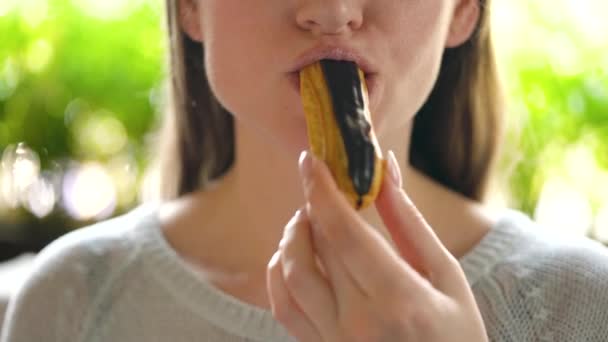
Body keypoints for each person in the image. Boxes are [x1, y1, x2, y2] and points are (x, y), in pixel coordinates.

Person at [2, 0, 608, 341]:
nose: (332, 11)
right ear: (189, 6)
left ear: (463, 10)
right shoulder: (70, 306)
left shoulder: (581, 305)